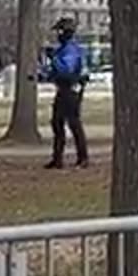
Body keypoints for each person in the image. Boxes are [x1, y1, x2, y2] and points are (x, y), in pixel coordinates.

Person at [40, 16, 90, 169]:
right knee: (57, 122)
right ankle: (57, 159)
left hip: (72, 89)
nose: (57, 35)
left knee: (74, 123)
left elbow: (66, 70)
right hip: (63, 89)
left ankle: (83, 158)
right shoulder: (63, 49)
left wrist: (53, 59)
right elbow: (55, 72)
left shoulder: (71, 50)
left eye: (59, 32)